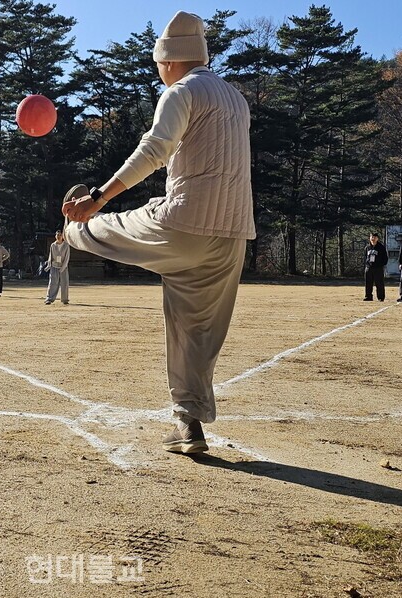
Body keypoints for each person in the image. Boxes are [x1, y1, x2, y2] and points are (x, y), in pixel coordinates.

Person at [62, 11, 253, 455]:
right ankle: (189, 424)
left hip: (184, 223)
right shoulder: (236, 100)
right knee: (196, 333)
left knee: (112, 224)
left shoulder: (182, 92)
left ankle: (72, 230)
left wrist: (98, 198)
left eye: (158, 63)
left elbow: (154, 149)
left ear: (169, 61)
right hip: (232, 236)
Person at [45, 230, 71, 305]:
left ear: (62, 236)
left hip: (63, 266)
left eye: (60, 235)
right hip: (54, 266)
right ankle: (49, 299)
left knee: (64, 283)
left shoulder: (66, 245)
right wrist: (49, 265)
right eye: (57, 235)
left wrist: (63, 267)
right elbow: (51, 256)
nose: (58, 236)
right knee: (52, 283)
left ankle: (65, 299)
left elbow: (67, 257)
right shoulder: (53, 245)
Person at [363, 232, 388, 302]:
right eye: (371, 237)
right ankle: (368, 296)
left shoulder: (381, 247)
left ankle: (380, 297)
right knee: (368, 283)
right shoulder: (367, 247)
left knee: (379, 283)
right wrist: (366, 265)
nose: (373, 239)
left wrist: (381, 265)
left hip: (378, 268)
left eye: (374, 237)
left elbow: (385, 258)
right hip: (369, 268)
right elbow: (365, 257)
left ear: (377, 238)